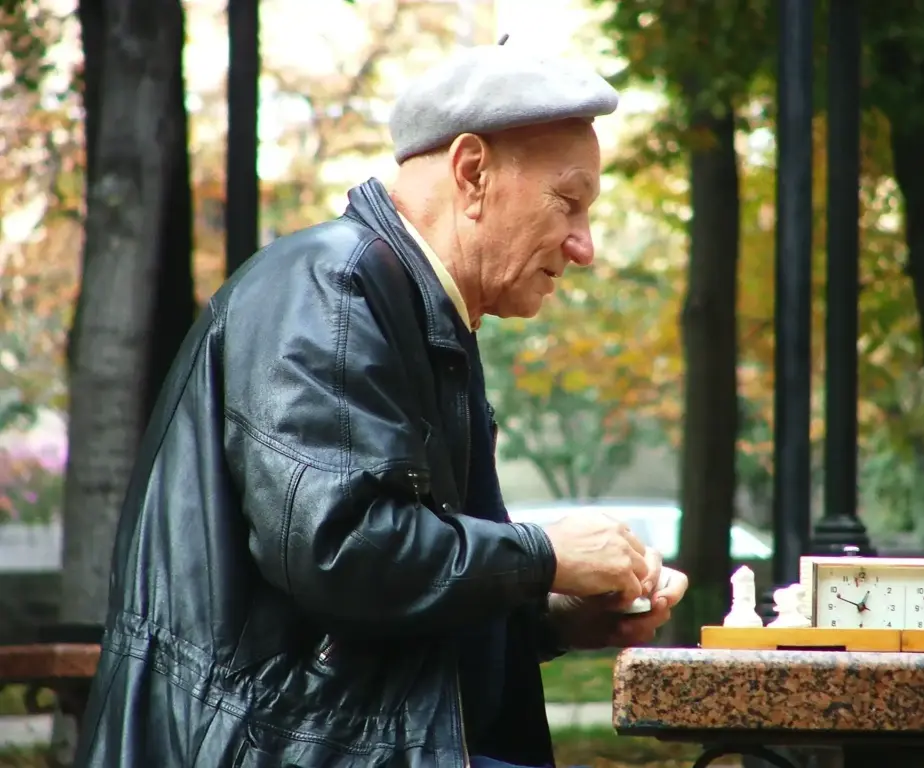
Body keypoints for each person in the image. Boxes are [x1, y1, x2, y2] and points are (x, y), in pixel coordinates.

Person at [74, 40, 688, 768]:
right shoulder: (331, 287)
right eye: (569, 202)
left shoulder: (415, 313)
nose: (584, 246)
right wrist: (543, 555)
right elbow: (339, 552)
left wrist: (556, 613)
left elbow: (393, 614)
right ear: (472, 172)